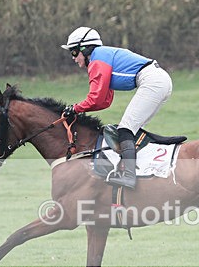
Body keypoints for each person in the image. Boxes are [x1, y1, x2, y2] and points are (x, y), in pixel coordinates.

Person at [61, 27, 173, 189]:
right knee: (131, 129)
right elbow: (105, 101)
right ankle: (139, 169)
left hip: (152, 81)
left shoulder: (97, 61)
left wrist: (75, 109)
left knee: (125, 129)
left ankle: (129, 176)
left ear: (85, 49)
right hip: (158, 80)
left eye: (74, 52)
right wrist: (78, 109)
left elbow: (96, 98)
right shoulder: (103, 57)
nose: (73, 58)